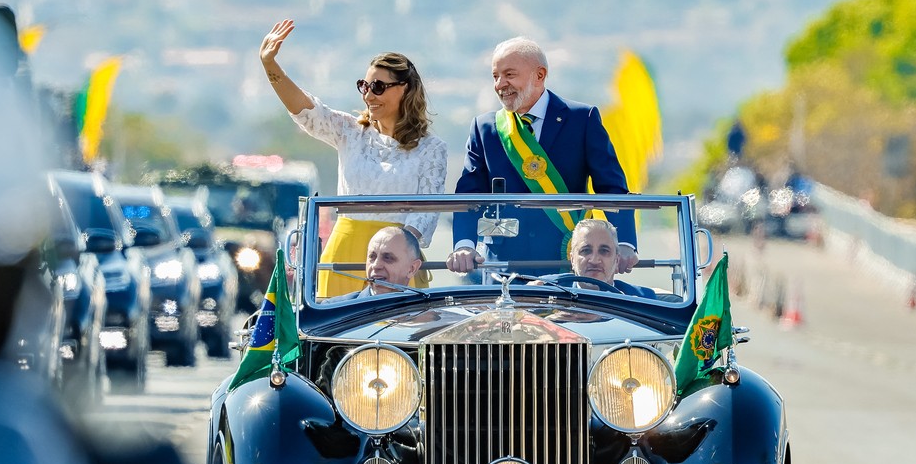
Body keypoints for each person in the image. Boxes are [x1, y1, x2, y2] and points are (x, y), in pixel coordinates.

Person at [259, 19, 447, 297]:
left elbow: (426, 213)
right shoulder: (350, 132)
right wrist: (270, 65)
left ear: (405, 89)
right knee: (335, 325)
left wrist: (395, 252)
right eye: (364, 86)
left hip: (396, 260)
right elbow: (306, 111)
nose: (369, 95)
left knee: (398, 326)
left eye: (378, 87)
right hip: (343, 254)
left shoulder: (432, 148)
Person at [446, 36, 637, 277]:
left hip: (566, 262)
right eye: (495, 76)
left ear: (539, 75)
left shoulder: (581, 119)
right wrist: (464, 245)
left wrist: (625, 243)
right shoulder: (485, 128)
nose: (500, 84)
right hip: (502, 268)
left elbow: (610, 187)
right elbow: (469, 194)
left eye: (509, 74)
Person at [325, 226, 423, 302]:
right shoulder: (334, 310)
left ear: (412, 269)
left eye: (388, 258)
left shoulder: (426, 314)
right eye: (372, 257)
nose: (376, 265)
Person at [563, 219, 656, 298]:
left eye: (604, 251)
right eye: (586, 251)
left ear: (617, 260)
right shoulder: (555, 294)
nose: (594, 261)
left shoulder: (643, 299)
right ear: (572, 259)